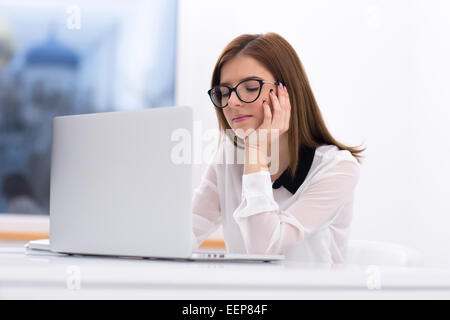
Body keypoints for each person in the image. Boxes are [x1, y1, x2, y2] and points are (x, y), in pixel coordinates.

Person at [192, 32, 365, 264]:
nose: (232, 102)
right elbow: (185, 231)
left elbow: (264, 249)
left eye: (251, 88)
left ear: (287, 92)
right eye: (224, 92)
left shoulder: (338, 169)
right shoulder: (229, 157)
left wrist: (255, 150)